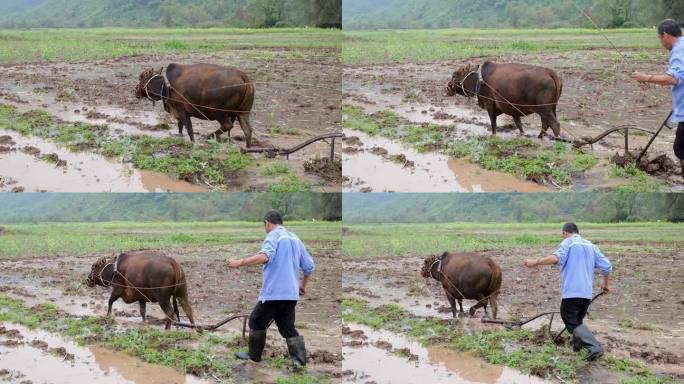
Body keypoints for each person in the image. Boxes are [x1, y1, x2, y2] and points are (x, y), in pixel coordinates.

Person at [226, 209, 315, 366]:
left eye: (264, 225)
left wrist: (239, 263)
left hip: (274, 293)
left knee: (256, 321)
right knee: (287, 327)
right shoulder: (295, 238)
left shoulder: (273, 236)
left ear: (267, 222)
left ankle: (254, 356)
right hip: (291, 295)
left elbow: (265, 256)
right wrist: (303, 285)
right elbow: (309, 267)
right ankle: (299, 361)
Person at [523, 222, 612, 361]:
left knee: (569, 320)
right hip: (586, 294)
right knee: (577, 321)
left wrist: (535, 262)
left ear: (565, 233)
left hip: (572, 292)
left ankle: (595, 347)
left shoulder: (568, 242)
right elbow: (607, 266)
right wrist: (606, 285)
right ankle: (577, 349)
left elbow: (555, 258)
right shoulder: (591, 246)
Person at [631, 19, 684, 177]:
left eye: (660, 38)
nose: (661, 43)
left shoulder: (679, 50)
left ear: (665, 36)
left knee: (680, 147)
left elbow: (673, 78)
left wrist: (646, 77)